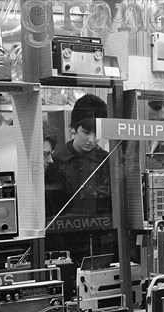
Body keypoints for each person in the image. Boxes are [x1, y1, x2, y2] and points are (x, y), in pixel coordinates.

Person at [45, 93, 116, 265]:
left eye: (97, 133)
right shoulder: (55, 163)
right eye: (86, 132)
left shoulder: (109, 162)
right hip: (64, 245)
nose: (91, 139)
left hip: (103, 244)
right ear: (74, 128)